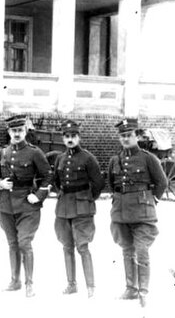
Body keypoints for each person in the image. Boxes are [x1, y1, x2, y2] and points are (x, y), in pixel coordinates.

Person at [0, 114, 52, 297]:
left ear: (25, 131)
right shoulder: (3, 152)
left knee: (24, 243)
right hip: (6, 206)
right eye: (13, 131)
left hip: (27, 205)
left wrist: (39, 195)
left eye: (20, 130)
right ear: (9, 132)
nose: (17, 134)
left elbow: (48, 176)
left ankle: (29, 283)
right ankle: (15, 281)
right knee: (12, 244)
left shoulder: (34, 152)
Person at [108, 118, 167, 307]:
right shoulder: (114, 160)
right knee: (126, 250)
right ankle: (130, 289)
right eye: (122, 136)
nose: (126, 139)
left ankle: (143, 291)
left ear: (136, 136)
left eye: (129, 135)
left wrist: (153, 200)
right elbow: (112, 184)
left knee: (141, 251)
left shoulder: (148, 158)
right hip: (121, 212)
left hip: (143, 213)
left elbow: (162, 182)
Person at [53, 119, 105, 298]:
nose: (70, 139)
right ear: (63, 139)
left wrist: (88, 199)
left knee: (82, 247)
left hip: (83, 207)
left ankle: (90, 287)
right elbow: (55, 181)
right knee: (67, 247)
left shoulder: (88, 158)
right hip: (63, 207)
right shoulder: (60, 158)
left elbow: (98, 182)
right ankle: (71, 284)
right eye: (66, 136)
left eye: (73, 136)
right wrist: (61, 192)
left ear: (78, 137)